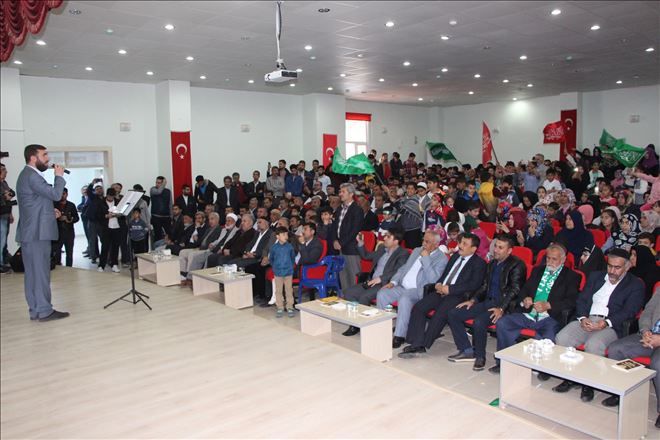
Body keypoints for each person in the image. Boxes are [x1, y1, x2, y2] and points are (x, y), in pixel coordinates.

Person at [553, 248, 645, 402]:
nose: (612, 271)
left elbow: (630, 311)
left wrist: (606, 322)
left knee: (594, 345)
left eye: (617, 267)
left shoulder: (635, 284)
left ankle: (589, 384)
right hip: (588, 319)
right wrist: (583, 318)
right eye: (610, 266)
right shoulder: (596, 276)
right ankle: (570, 377)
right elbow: (582, 299)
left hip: (611, 324)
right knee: (562, 338)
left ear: (627, 267)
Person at [489, 244, 580, 373]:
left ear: (563, 259)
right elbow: (524, 290)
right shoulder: (538, 270)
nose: (550, 262)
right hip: (529, 313)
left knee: (548, 336)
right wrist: (525, 299)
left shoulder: (572, 276)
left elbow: (571, 301)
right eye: (548, 258)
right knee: (503, 323)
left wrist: (549, 305)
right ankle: (505, 362)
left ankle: (544, 369)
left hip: (549, 316)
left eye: (554, 259)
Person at [399, 233, 487, 358]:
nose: (460, 245)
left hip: (458, 295)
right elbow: (445, 274)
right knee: (419, 307)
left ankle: (423, 345)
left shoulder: (479, 263)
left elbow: (473, 285)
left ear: (473, 249)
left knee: (440, 313)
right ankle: (416, 341)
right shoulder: (455, 256)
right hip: (441, 290)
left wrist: (450, 289)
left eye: (464, 244)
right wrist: (438, 284)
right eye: (460, 242)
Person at [446, 234, 526, 371]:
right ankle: (467, 350)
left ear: (509, 251)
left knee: (479, 322)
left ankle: (480, 356)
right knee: (453, 314)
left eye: (500, 248)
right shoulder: (492, 264)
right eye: (496, 246)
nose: (496, 250)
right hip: (487, 302)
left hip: (504, 306)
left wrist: (502, 308)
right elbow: (484, 286)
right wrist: (473, 300)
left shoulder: (517, 265)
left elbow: (515, 290)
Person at [16, 144, 68, 321]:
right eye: (44, 155)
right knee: (41, 273)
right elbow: (55, 194)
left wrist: (50, 211)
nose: (48, 159)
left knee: (33, 274)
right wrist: (59, 177)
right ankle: (44, 310)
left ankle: (36, 310)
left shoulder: (26, 175)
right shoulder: (33, 176)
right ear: (33, 158)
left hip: (31, 231)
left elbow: (34, 202)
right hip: (37, 233)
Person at [376, 229, 448, 348]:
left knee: (405, 298)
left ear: (436, 244)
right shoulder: (417, 250)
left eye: (427, 242)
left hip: (418, 290)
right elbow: (404, 268)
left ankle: (400, 335)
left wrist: (426, 258)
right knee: (382, 293)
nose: (423, 244)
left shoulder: (441, 259)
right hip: (402, 286)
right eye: (423, 240)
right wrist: (393, 282)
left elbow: (433, 279)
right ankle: (381, 327)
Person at [604, 287, 659, 428]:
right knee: (616, 349)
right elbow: (648, 311)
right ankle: (621, 393)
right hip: (650, 335)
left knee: (658, 363)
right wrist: (645, 330)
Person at [342, 226, 409, 336]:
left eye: (388, 236)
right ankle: (357, 320)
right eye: (385, 235)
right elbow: (366, 256)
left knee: (364, 297)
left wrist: (381, 278)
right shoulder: (382, 248)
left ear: (396, 241)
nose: (384, 238)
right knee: (348, 292)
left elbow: (398, 271)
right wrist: (361, 243)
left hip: (384, 283)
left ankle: (360, 325)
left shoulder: (403, 253)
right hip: (372, 281)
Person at [333, 183, 364, 290]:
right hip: (340, 248)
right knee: (343, 276)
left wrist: (341, 243)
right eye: (340, 191)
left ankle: (356, 298)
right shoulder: (339, 209)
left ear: (351, 194)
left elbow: (355, 230)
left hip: (351, 248)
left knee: (354, 276)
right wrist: (335, 240)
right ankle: (346, 297)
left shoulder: (357, 209)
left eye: (343, 192)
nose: (340, 194)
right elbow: (334, 227)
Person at [178, 212, 222, 282]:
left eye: (212, 219)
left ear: (217, 220)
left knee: (192, 254)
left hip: (207, 249)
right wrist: (197, 240)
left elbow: (215, 243)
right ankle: (182, 273)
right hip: (200, 248)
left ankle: (189, 276)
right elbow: (201, 241)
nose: (210, 221)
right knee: (182, 252)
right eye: (209, 219)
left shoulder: (220, 229)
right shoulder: (208, 229)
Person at [269, 226, 297, 318]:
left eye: (287, 234)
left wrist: (290, 267)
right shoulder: (274, 248)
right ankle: (280, 307)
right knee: (278, 290)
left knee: (289, 290)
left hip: (288, 272)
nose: (286, 236)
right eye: (283, 234)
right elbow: (271, 259)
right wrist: (275, 267)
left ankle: (290, 307)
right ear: (277, 236)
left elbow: (292, 258)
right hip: (278, 273)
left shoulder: (289, 247)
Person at [97, 188, 122, 273]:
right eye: (109, 196)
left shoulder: (118, 202)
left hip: (117, 227)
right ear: (107, 195)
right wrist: (106, 216)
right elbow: (97, 215)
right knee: (105, 247)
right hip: (106, 227)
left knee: (115, 247)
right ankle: (101, 265)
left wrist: (119, 215)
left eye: (112, 197)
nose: (111, 198)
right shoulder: (101, 202)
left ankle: (114, 264)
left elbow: (122, 213)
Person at [53, 188, 79, 267]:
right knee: (57, 252)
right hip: (57, 232)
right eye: (60, 193)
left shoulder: (71, 205)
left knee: (69, 252)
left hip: (69, 232)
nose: (62, 195)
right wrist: (57, 217)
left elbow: (76, 218)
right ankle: (57, 267)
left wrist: (69, 219)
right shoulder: (54, 204)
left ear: (67, 194)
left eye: (63, 194)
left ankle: (69, 269)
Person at [0, 163, 15, 272]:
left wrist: (10, 214)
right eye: (4, 170)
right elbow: (6, 197)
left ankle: (4, 260)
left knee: (4, 240)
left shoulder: (4, 183)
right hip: (0, 216)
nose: (6, 172)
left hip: (6, 214)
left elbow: (11, 194)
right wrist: (4, 196)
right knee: (1, 241)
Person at [150, 176, 172, 243]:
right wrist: (163, 184)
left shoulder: (168, 191)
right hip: (156, 217)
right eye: (156, 182)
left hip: (166, 217)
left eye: (159, 183)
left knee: (169, 234)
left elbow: (170, 204)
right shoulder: (153, 189)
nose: (157, 184)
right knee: (158, 235)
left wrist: (171, 216)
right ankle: (157, 248)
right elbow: (158, 192)